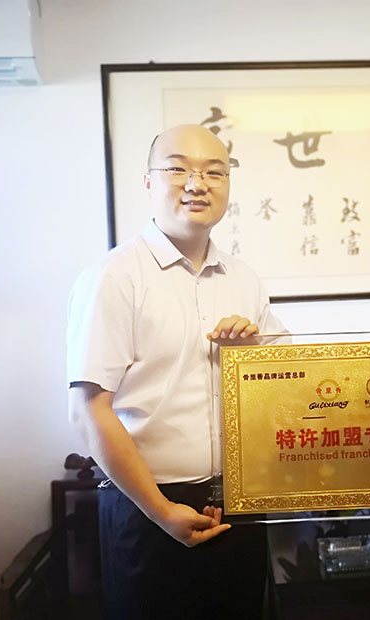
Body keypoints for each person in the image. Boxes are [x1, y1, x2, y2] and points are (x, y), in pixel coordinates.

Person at [66, 124, 287, 619]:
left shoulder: (244, 278)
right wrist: (162, 510)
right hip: (146, 507)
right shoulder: (113, 277)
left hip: (238, 501)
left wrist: (251, 354)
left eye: (214, 172)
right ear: (148, 182)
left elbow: (288, 384)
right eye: (178, 169)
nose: (197, 184)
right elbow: (87, 411)